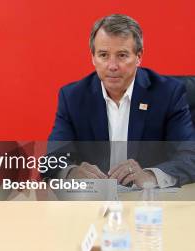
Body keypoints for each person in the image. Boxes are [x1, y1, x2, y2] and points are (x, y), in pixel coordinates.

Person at [48, 14, 195, 188]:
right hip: (93, 204)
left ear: (139, 57)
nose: (112, 66)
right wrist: (72, 172)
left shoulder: (168, 93)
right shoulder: (73, 97)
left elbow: (190, 156)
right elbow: (53, 160)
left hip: (149, 203)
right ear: (93, 58)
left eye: (122, 55)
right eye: (103, 55)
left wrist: (150, 176)